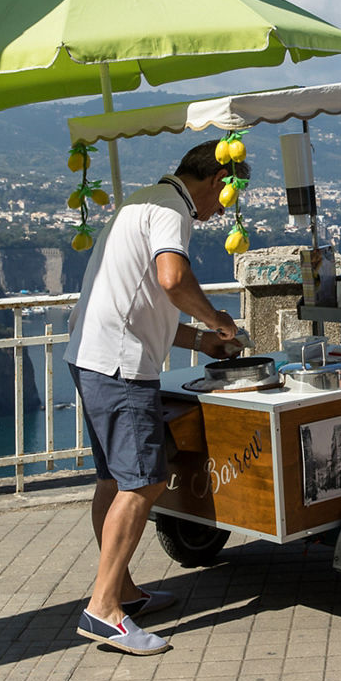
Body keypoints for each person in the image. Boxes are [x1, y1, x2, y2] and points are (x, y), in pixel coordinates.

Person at [66, 140, 247, 654]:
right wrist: (217, 319)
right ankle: (103, 609)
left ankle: (119, 588)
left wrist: (198, 340)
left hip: (89, 355)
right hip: (122, 368)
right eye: (224, 200)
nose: (219, 214)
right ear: (216, 181)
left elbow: (139, 303)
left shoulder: (141, 201)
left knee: (112, 480)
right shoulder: (173, 212)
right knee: (145, 482)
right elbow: (172, 279)